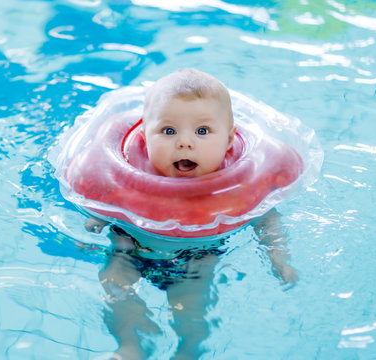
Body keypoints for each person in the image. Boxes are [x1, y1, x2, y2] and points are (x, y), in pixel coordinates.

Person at [86, 69, 298, 359]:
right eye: (169, 131)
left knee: (191, 312)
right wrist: (98, 217)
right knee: (114, 285)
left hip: (195, 260)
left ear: (228, 141)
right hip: (130, 249)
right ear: (144, 138)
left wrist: (278, 255)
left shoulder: (240, 186)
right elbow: (107, 194)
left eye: (202, 131)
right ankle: (131, 346)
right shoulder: (127, 176)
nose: (185, 143)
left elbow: (267, 217)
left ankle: (187, 351)